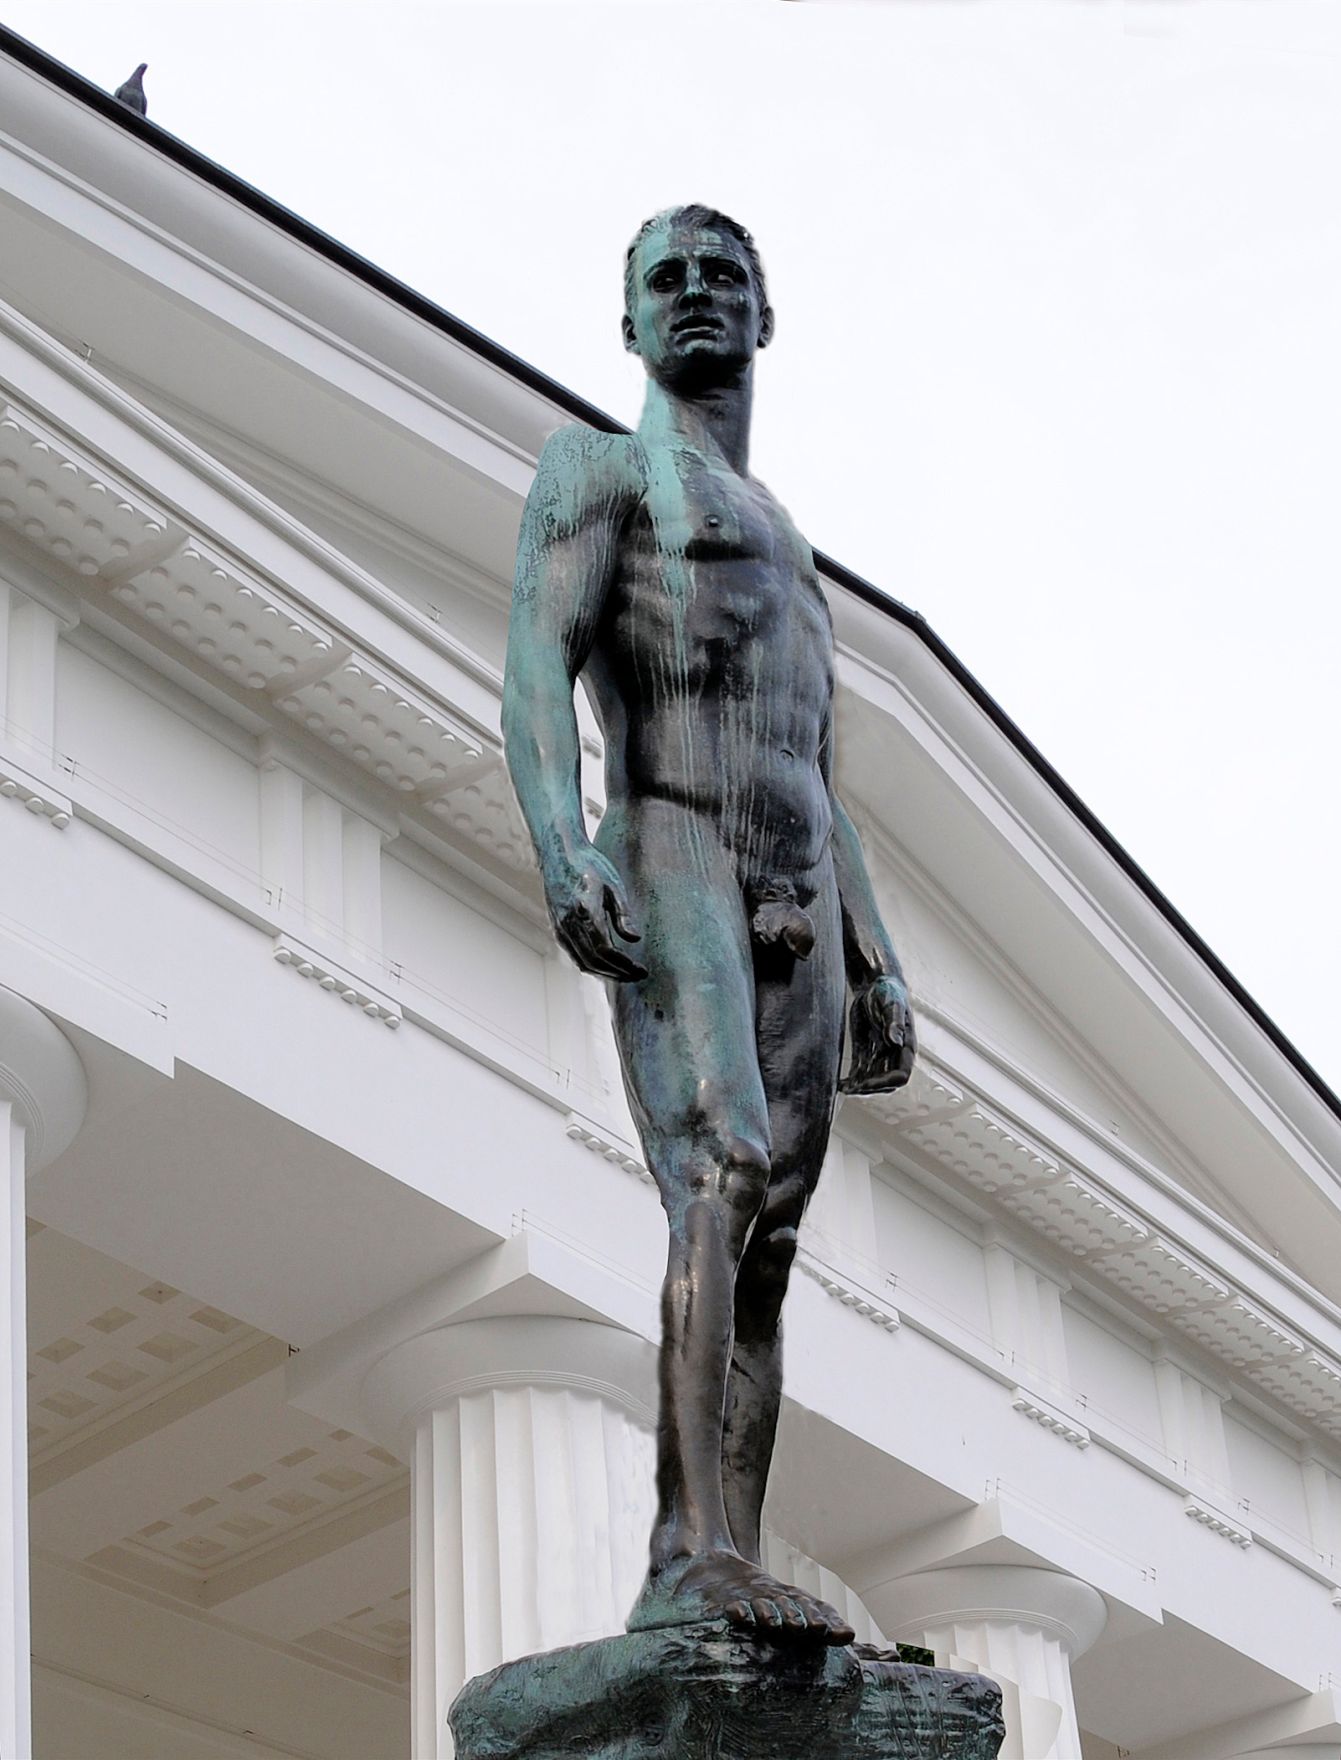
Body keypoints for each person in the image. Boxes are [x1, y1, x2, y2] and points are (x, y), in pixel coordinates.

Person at [502, 206, 915, 1645]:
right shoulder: (601, 470)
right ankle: (688, 1554)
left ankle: (733, 1547)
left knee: (774, 1241)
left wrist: (873, 955)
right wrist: (563, 845)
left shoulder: (793, 547)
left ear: (763, 318)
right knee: (721, 1166)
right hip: (671, 831)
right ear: (628, 324)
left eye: (722, 278)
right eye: (663, 281)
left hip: (794, 884)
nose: (694, 296)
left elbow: (814, 763)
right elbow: (536, 667)